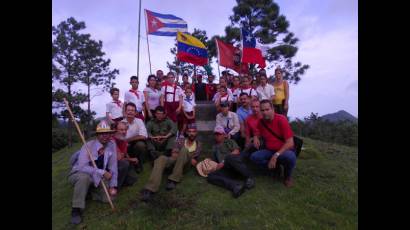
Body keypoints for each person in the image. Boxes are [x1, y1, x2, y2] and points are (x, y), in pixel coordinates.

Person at [68, 120, 118, 225]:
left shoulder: (112, 145)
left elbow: (113, 167)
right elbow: (82, 166)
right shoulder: (88, 146)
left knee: (109, 198)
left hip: (97, 176)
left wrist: (113, 185)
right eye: (101, 134)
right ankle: (76, 209)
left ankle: (89, 192)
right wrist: (102, 172)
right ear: (97, 135)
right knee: (84, 179)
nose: (104, 136)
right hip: (79, 173)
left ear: (110, 134)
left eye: (107, 133)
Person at [140, 124, 202, 201]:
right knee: (161, 158)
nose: (191, 134)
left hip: (185, 165)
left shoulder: (198, 144)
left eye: (193, 132)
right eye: (189, 131)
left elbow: (194, 161)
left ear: (196, 133)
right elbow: (174, 154)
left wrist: (183, 154)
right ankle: (150, 189)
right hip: (174, 161)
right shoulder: (181, 140)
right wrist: (181, 155)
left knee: (184, 150)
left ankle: (173, 180)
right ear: (187, 132)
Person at [251, 100, 296, 187]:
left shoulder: (281, 120)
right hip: (269, 150)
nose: (264, 112)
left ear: (273, 109)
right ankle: (275, 169)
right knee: (254, 157)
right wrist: (256, 137)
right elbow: (257, 131)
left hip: (283, 151)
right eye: (262, 110)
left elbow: (290, 143)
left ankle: (287, 176)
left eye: (267, 109)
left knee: (290, 157)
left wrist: (276, 155)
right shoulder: (261, 121)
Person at [204, 125, 255, 198]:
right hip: (227, 169)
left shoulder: (230, 141)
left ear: (224, 135)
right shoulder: (214, 147)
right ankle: (235, 185)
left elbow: (236, 151)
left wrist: (224, 161)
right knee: (210, 176)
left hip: (235, 165)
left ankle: (250, 177)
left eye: (219, 134)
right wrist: (211, 166)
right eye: (215, 134)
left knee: (229, 158)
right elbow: (215, 162)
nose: (217, 136)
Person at [123, 102, 148, 173]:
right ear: (125, 112)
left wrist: (128, 140)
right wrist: (126, 142)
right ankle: (130, 162)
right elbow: (120, 140)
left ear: (135, 113)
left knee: (141, 145)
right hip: (125, 146)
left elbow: (144, 136)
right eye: (128, 110)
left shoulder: (139, 121)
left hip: (135, 144)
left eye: (132, 110)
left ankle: (139, 163)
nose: (130, 112)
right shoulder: (121, 123)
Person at [112, 121, 138, 189]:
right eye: (121, 130)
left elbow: (125, 153)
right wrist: (130, 159)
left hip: (119, 162)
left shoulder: (123, 139)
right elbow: (119, 158)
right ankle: (115, 186)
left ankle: (123, 179)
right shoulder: (112, 141)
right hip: (111, 166)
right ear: (115, 130)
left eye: (125, 130)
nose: (124, 132)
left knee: (133, 179)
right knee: (124, 163)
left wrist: (130, 159)